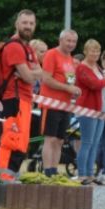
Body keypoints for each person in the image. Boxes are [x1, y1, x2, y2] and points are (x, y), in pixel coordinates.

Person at [0, 11, 42, 182]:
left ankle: (10, 176)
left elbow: (38, 73)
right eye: (24, 23)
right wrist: (30, 73)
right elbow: (30, 77)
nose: (28, 26)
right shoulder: (14, 46)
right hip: (14, 98)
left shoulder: (27, 47)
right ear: (17, 24)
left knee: (21, 141)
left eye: (31, 23)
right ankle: (4, 177)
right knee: (11, 140)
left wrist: (29, 73)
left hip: (24, 99)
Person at [39, 29, 80, 176]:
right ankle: (47, 171)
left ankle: (54, 170)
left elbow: (69, 80)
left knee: (60, 140)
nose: (71, 44)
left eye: (74, 41)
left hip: (65, 105)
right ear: (60, 40)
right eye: (68, 40)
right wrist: (67, 88)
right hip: (51, 104)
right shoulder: (51, 54)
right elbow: (46, 79)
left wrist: (74, 90)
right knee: (50, 139)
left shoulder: (70, 58)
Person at [74, 39, 105, 184]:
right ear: (85, 51)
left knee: (95, 143)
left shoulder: (97, 67)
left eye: (97, 51)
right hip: (87, 109)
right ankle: (82, 174)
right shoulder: (82, 68)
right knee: (87, 142)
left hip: (100, 109)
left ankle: (90, 174)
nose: (95, 53)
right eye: (92, 51)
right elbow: (94, 84)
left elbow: (102, 86)